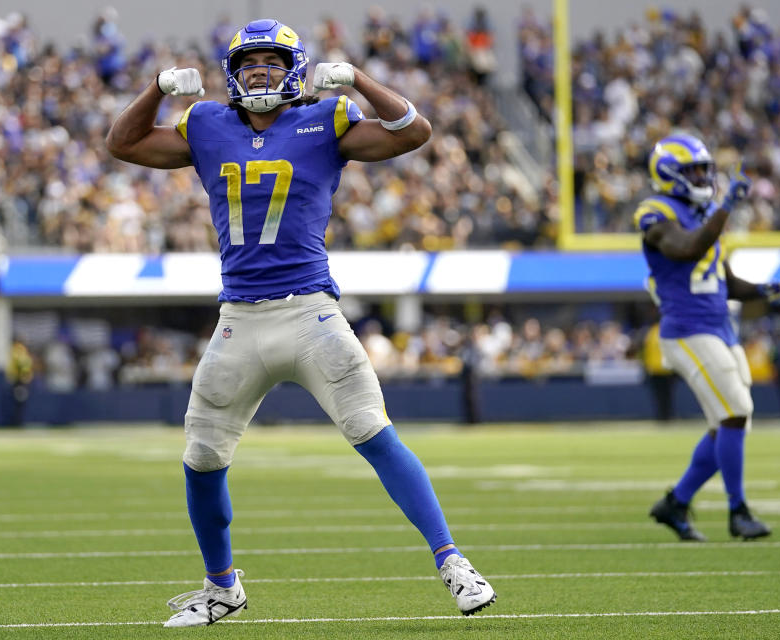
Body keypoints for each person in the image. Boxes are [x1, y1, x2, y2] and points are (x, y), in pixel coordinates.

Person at [105, 19, 496, 627]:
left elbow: (413, 131)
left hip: (311, 311)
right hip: (238, 318)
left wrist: (361, 79)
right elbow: (123, 143)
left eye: (271, 60)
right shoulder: (206, 123)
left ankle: (454, 563)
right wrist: (157, 88)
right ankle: (220, 587)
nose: (259, 71)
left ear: (294, 67)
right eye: (249, 62)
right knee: (202, 456)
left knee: (374, 430)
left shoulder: (326, 119)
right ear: (233, 73)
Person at [634, 133, 780, 542]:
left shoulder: (702, 213)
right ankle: (738, 511)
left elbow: (719, 279)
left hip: (719, 328)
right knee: (734, 412)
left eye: (705, 169)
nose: (703, 176)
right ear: (669, 174)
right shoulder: (656, 213)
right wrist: (724, 210)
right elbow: (686, 249)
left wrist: (759, 290)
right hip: (687, 330)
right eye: (694, 170)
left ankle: (676, 502)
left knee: (732, 424)